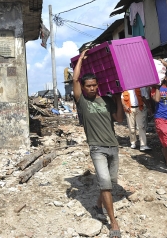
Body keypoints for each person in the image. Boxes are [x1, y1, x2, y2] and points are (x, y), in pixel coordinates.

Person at [73, 49, 123, 238]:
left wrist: (118, 99)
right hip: (97, 148)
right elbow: (75, 80)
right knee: (105, 183)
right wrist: (81, 58)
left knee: (110, 182)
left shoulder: (106, 100)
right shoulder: (82, 102)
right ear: (84, 88)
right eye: (88, 86)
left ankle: (97, 205)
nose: (92, 88)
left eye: (94, 85)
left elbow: (118, 119)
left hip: (113, 146)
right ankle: (113, 222)